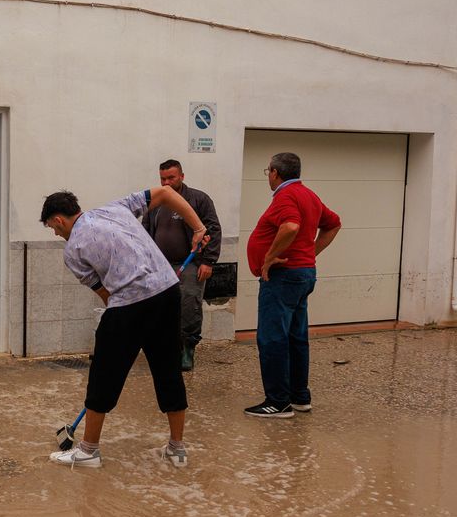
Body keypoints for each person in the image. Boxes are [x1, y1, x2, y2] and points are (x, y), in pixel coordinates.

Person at [42, 188, 208, 468]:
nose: (56, 235)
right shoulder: (116, 208)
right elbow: (165, 192)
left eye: (52, 229)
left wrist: (123, 327)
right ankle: (177, 449)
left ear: (59, 220)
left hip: (129, 303)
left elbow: (106, 294)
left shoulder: (73, 250)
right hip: (168, 292)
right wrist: (199, 228)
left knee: (103, 375)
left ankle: (88, 450)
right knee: (168, 370)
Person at [244, 152, 341, 419]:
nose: (268, 177)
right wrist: (310, 253)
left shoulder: (286, 197)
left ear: (275, 172)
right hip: (302, 274)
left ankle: (277, 402)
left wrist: (269, 258)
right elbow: (333, 224)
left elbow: (289, 226)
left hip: (283, 277)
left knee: (272, 338)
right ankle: (299, 397)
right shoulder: (308, 194)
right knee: (296, 338)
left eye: (268, 172)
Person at [144, 159, 222, 372]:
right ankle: (169, 349)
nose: (167, 182)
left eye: (171, 177)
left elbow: (213, 230)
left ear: (182, 176)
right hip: (161, 266)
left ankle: (188, 349)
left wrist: (208, 261)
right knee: (162, 308)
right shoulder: (156, 202)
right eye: (163, 178)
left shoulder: (198, 199)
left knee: (189, 306)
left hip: (190, 265)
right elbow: (145, 231)